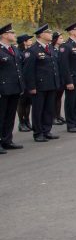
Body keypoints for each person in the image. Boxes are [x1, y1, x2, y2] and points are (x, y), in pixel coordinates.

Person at [23, 24, 61, 142]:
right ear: (41, 35)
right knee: (38, 110)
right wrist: (32, 86)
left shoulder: (50, 48)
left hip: (51, 84)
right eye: (48, 33)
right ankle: (38, 133)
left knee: (49, 109)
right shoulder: (33, 50)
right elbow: (28, 71)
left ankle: (46, 130)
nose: (51, 34)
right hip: (39, 86)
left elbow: (54, 67)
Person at [0, 23, 25, 152]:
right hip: (3, 89)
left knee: (10, 116)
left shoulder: (14, 49)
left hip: (15, 88)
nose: (14, 35)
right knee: (1, 115)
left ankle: (7, 140)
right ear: (4, 35)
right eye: (12, 33)